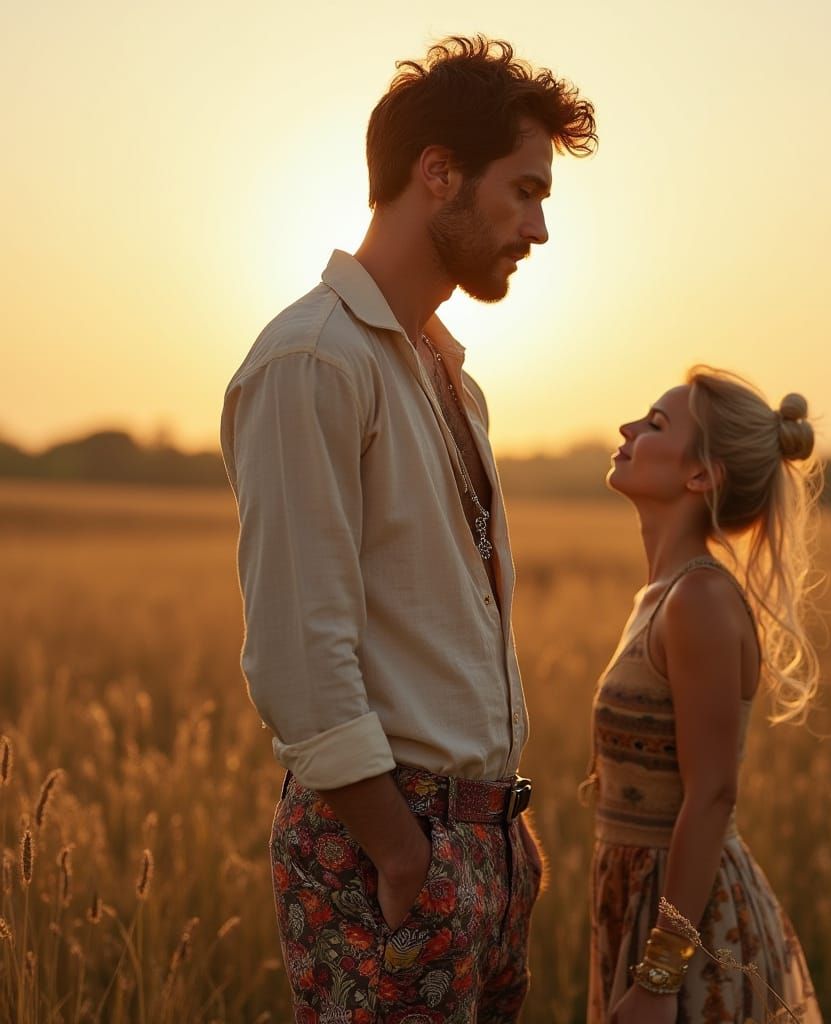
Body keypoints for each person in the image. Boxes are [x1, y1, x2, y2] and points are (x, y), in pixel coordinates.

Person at [220, 36, 596, 1023]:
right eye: (523, 190)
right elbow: (300, 653)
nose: (540, 227)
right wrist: (402, 850)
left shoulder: (449, 377)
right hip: (386, 847)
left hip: (482, 841)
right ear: (438, 174)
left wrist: (496, 832)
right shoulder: (312, 361)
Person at [586, 367, 825, 1024]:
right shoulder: (660, 597)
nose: (628, 429)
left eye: (657, 425)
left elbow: (713, 792)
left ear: (701, 476)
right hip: (641, 903)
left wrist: (661, 976)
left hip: (689, 929)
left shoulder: (699, 600)